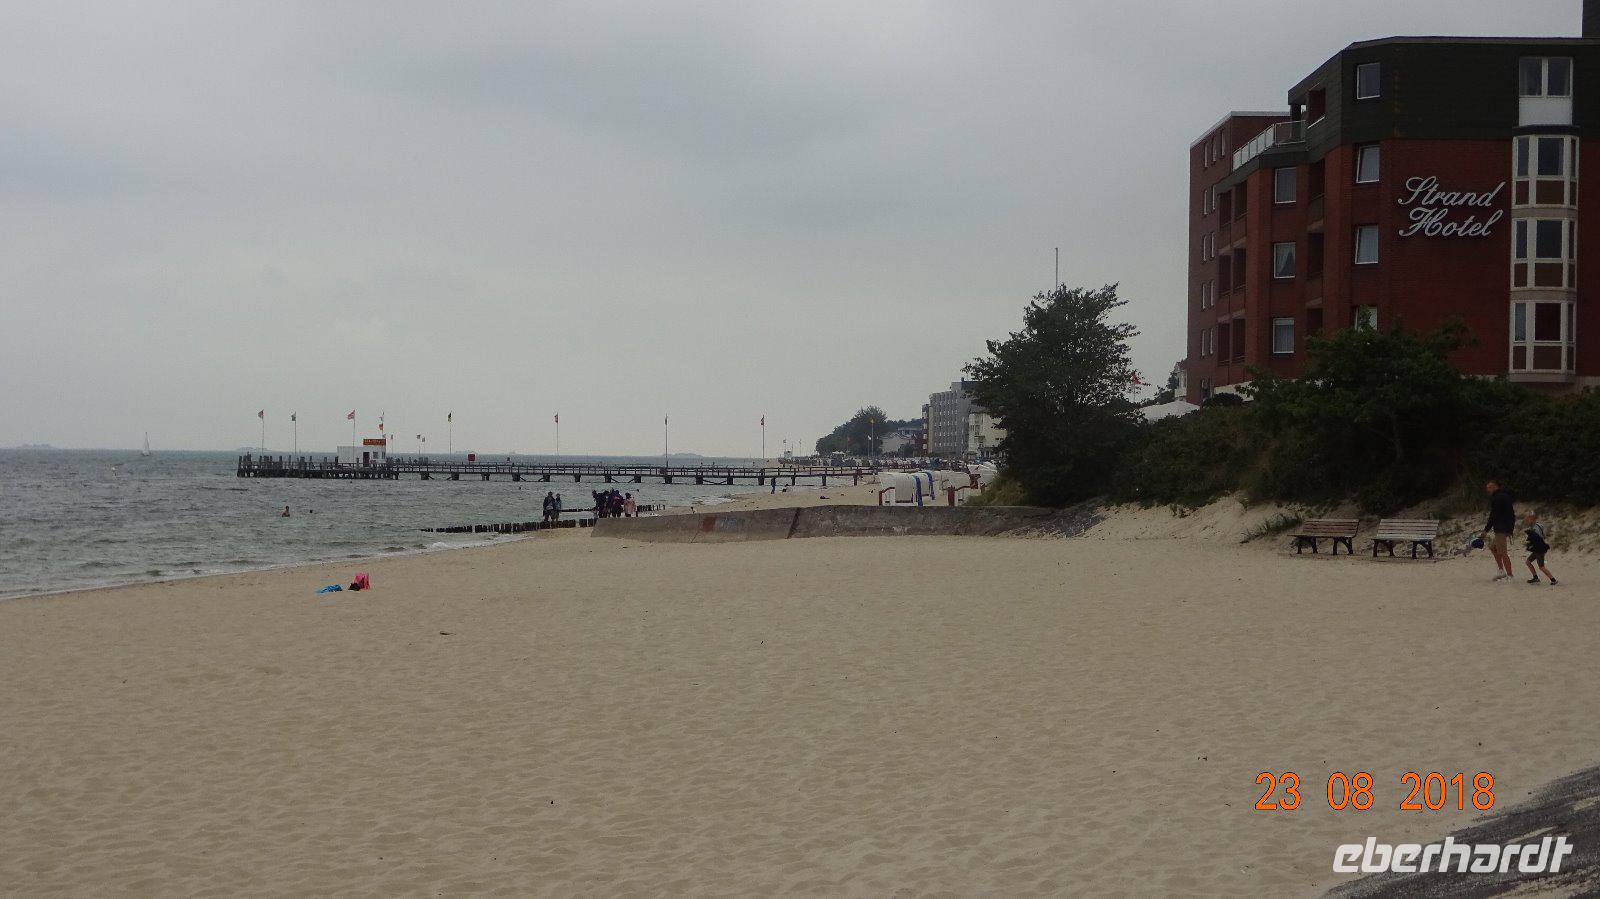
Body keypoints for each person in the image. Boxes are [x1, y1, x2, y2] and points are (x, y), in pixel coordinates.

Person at [1480, 480, 1516, 582]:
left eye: (1489, 488)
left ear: (1495, 487)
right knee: (1493, 547)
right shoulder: (1503, 496)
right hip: (1503, 527)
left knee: (1502, 552)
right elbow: (1511, 514)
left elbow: (1493, 515)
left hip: (1502, 528)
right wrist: (1510, 528)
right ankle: (1501, 571)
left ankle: (1510, 575)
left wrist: (1486, 530)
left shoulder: (1498, 498)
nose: (1488, 490)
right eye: (1487, 488)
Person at [1524, 512, 1559, 586]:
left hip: (1539, 550)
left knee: (1541, 567)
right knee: (1528, 562)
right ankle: (1535, 578)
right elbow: (1543, 536)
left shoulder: (1535, 528)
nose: (1526, 522)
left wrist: (1530, 544)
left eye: (1527, 520)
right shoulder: (1539, 525)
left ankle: (1553, 580)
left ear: (1532, 519)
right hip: (1538, 549)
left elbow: (1538, 539)